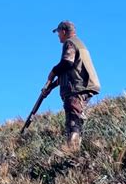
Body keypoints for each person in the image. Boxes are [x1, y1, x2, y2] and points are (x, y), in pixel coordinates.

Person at [42, 20, 101, 149]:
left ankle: (72, 153)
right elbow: (71, 71)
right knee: (76, 119)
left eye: (58, 32)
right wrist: (51, 87)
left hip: (76, 89)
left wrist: (52, 73)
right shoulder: (80, 44)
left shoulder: (70, 43)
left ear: (63, 31)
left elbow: (67, 63)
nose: (58, 35)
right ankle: (75, 151)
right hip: (83, 86)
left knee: (73, 123)